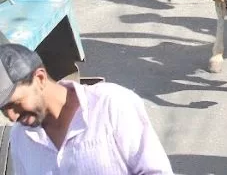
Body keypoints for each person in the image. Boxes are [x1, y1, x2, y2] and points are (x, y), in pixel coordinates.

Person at [1, 43, 174, 174]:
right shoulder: (20, 138)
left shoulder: (111, 105)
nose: (11, 116)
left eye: (14, 103)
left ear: (40, 78)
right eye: (2, 109)